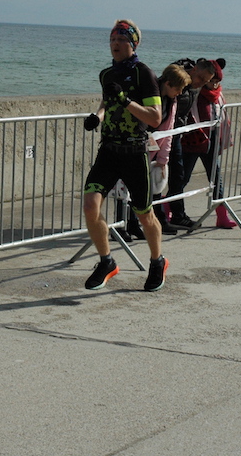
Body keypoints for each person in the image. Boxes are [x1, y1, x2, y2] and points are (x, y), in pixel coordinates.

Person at [81, 20, 167, 291]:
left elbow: (155, 118)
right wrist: (97, 117)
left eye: (121, 40)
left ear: (133, 44)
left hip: (134, 153)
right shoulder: (107, 74)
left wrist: (126, 101)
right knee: (90, 205)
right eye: (112, 40)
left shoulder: (144, 74)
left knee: (144, 214)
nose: (115, 45)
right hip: (109, 150)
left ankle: (157, 261)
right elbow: (107, 102)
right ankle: (106, 261)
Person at [124, 63, 192, 240]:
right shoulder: (147, 95)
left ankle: (147, 222)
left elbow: (168, 131)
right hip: (137, 147)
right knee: (131, 188)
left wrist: (163, 159)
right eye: (178, 89)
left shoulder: (172, 101)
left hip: (153, 150)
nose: (180, 93)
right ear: (167, 84)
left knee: (150, 188)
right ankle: (130, 224)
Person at [178, 58, 237, 229]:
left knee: (216, 178)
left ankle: (222, 216)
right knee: (183, 178)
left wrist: (223, 139)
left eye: (217, 82)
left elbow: (222, 118)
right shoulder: (195, 93)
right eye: (212, 81)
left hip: (212, 141)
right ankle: (168, 210)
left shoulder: (218, 96)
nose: (214, 85)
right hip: (193, 141)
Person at [164, 58, 216, 230]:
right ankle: (160, 217)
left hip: (177, 134)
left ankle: (177, 215)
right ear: (193, 70)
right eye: (200, 78)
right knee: (158, 178)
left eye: (205, 81)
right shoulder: (177, 82)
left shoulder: (194, 87)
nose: (201, 83)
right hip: (164, 134)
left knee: (178, 177)